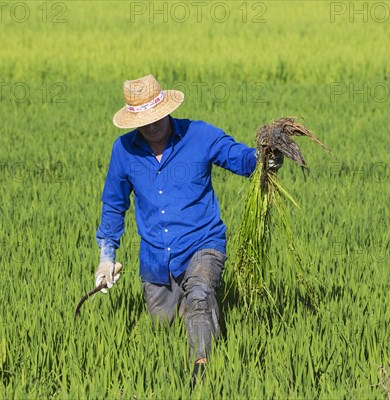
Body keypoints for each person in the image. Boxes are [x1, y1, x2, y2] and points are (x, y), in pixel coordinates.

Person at [93, 74, 281, 385]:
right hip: (155, 259)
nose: (151, 125)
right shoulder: (124, 151)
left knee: (200, 296)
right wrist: (106, 256)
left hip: (202, 243)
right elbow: (114, 206)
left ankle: (203, 371)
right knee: (163, 329)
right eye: (142, 119)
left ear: (166, 109)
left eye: (155, 117)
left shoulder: (199, 135)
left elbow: (242, 159)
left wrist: (266, 157)